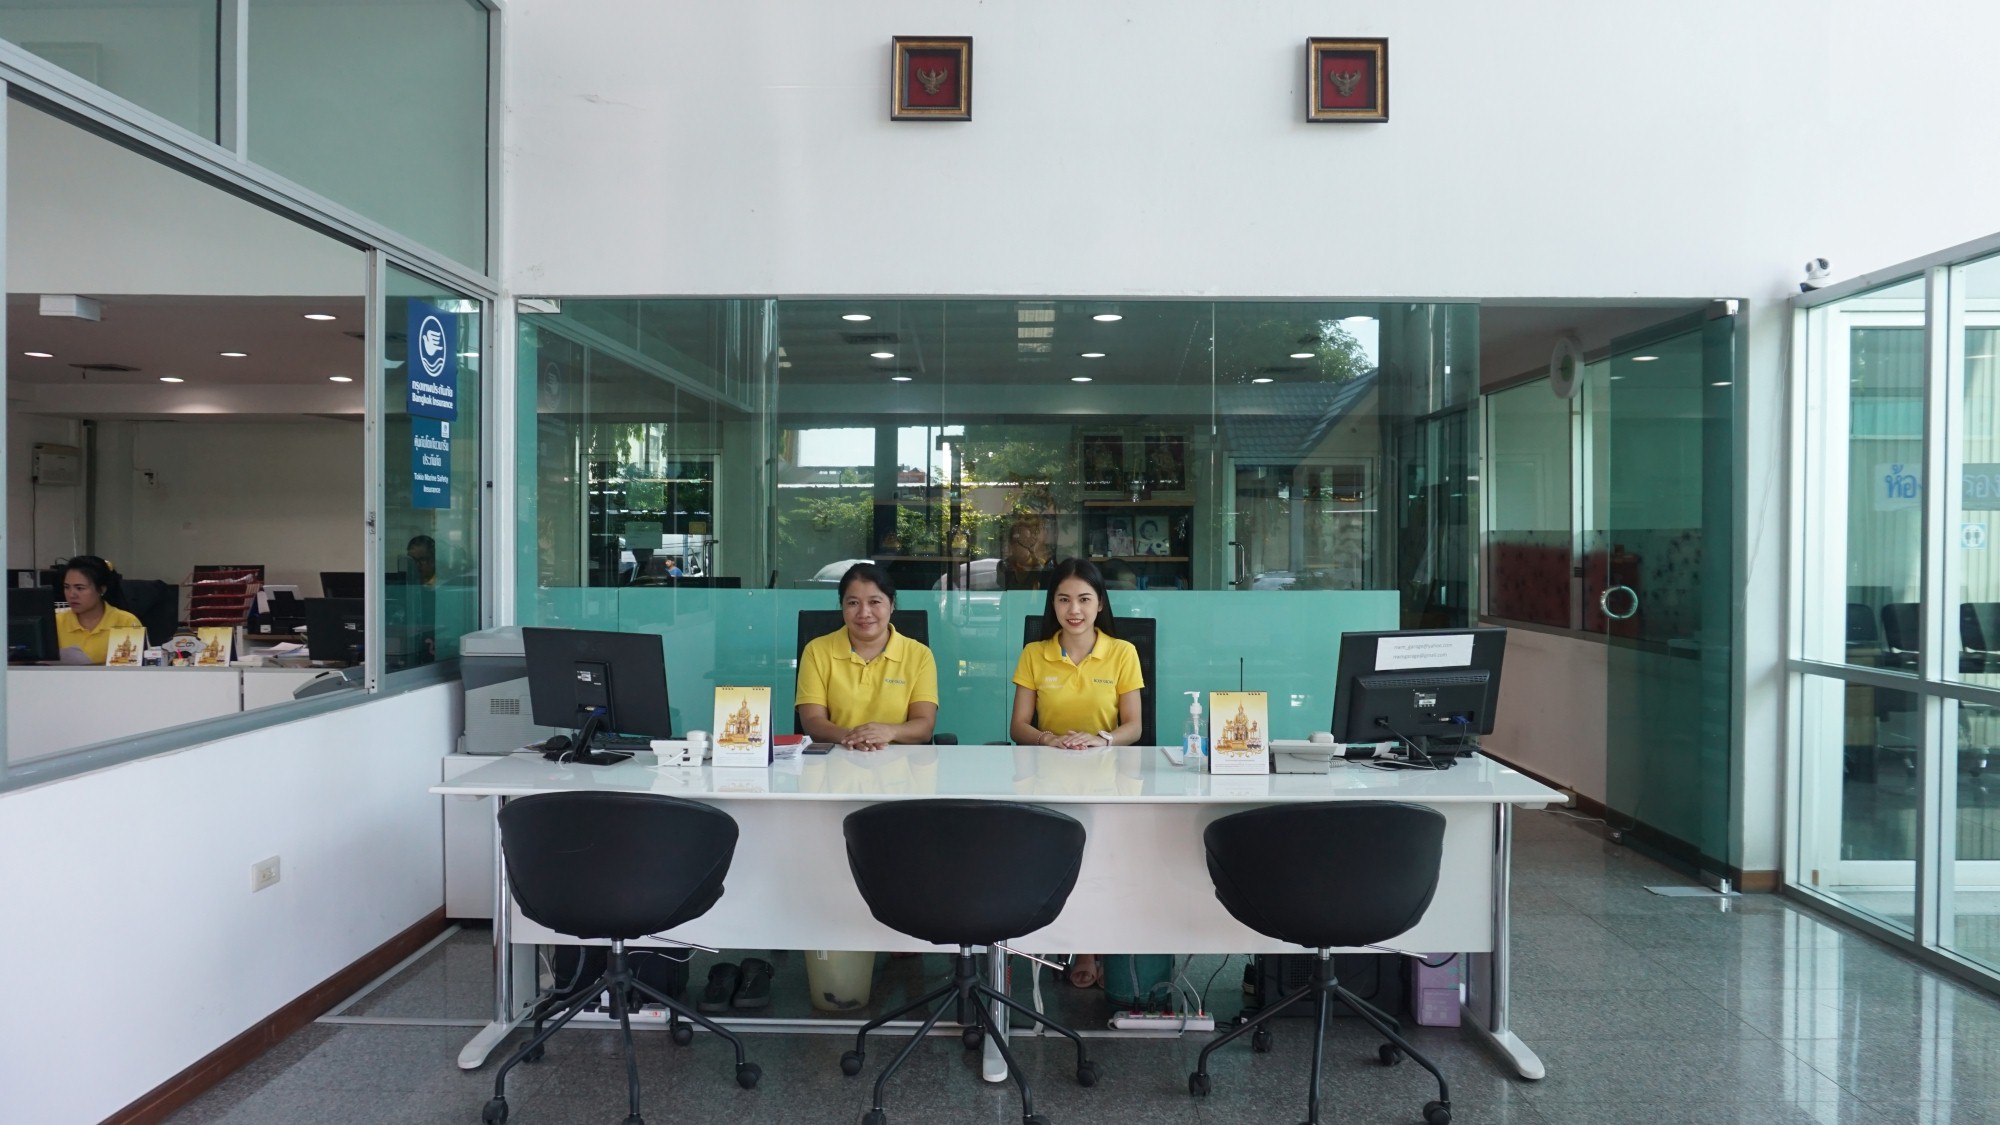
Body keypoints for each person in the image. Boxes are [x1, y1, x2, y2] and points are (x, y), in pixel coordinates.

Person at [1009, 557, 1144, 989]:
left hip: (1106, 773)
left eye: (1084, 599)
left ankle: (1091, 947)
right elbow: (1018, 726)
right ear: (1052, 604)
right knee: (1049, 860)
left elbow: (1134, 727)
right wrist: (1048, 739)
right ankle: (1050, 940)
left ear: (1100, 603)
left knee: (1098, 862)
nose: (1074, 609)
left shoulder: (1122, 652)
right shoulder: (1035, 654)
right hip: (1048, 772)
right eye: (1064, 599)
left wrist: (1102, 739)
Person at [795, 562, 939, 750]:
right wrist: (852, 737)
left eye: (874, 602)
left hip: (899, 760)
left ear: (892, 604)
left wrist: (890, 732)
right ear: (842, 605)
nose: (864, 613)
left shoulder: (919, 655)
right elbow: (812, 721)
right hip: (838, 757)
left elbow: (924, 726)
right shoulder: (817, 651)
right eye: (853, 603)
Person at [55, 555, 144, 665]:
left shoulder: (126, 622)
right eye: (67, 587)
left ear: (101, 590)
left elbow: (125, 669)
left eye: (80, 588)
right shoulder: (55, 622)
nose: (71, 595)